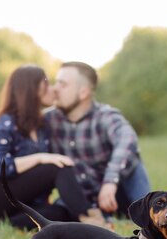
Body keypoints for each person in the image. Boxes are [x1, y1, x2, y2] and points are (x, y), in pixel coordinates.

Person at [0, 65, 108, 229]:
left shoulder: (43, 126)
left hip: (22, 202)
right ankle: (90, 220)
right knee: (57, 166)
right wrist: (40, 158)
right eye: (47, 85)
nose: (53, 89)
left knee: (61, 214)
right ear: (32, 90)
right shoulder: (7, 122)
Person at [45, 61, 151, 217]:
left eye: (62, 84)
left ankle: (145, 213)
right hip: (83, 200)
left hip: (118, 195)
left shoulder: (105, 116)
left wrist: (110, 181)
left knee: (132, 159)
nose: (55, 89)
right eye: (56, 83)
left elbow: (127, 138)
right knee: (56, 213)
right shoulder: (49, 120)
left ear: (83, 92)